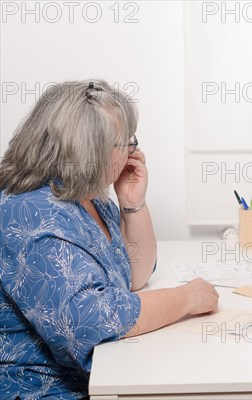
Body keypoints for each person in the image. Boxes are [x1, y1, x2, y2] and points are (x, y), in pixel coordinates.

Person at [0, 80, 219, 399]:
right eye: (123, 142)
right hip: (42, 387)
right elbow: (92, 323)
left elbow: (132, 276)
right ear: (87, 149)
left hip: (100, 375)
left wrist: (132, 203)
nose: (133, 150)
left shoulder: (85, 196)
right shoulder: (31, 214)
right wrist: (186, 298)